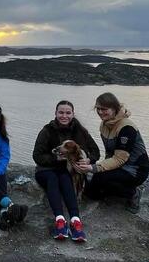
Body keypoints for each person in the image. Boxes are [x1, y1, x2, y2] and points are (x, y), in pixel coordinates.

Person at [33, 100, 100, 242]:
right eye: (61, 112)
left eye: (68, 113)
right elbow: (37, 156)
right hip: (46, 170)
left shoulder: (80, 130)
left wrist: (88, 160)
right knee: (53, 178)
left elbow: (96, 152)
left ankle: (76, 221)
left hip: (66, 172)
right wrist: (57, 159)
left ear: (73, 114)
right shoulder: (47, 131)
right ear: (55, 113)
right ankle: (60, 220)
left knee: (65, 178)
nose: (64, 116)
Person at [76, 92, 149, 213]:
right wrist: (100, 169)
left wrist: (94, 167)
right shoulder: (104, 124)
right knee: (91, 193)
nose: (100, 112)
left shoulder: (126, 128)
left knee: (100, 179)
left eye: (104, 109)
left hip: (135, 169)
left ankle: (133, 192)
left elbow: (119, 159)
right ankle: (110, 188)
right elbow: (109, 153)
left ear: (114, 109)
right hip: (120, 166)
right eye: (98, 109)